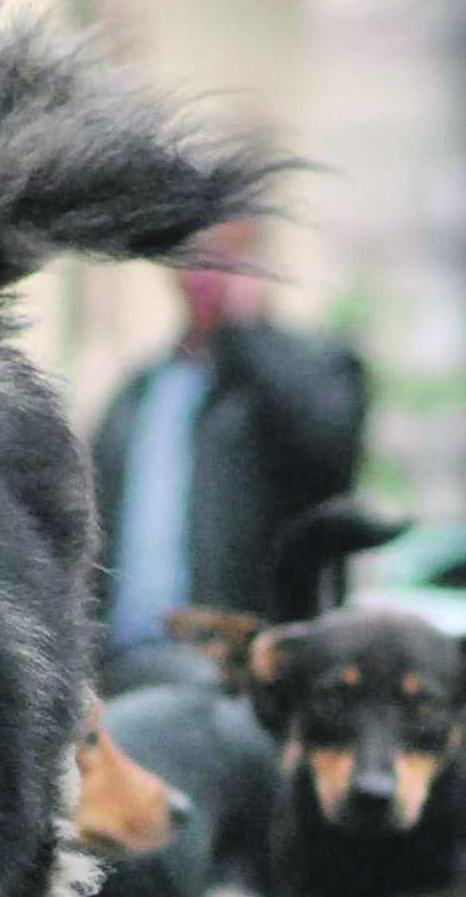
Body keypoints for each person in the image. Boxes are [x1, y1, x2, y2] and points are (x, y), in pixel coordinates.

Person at [92, 223, 369, 691]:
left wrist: (244, 328)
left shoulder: (313, 372)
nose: (203, 276)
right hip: (125, 670)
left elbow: (329, 452)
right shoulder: (139, 393)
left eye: (222, 259)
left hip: (245, 677)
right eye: (192, 258)